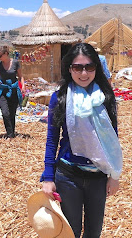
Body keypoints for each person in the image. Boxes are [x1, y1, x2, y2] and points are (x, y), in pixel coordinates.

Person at [40, 43, 123, 238]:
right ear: (70, 69)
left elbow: (112, 139)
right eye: (78, 67)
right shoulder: (60, 98)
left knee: (93, 233)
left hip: (98, 177)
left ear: (96, 68)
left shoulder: (105, 98)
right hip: (68, 176)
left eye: (89, 67)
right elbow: (52, 140)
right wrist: (48, 177)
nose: (84, 73)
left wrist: (114, 175)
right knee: (71, 232)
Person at [0, 45, 25, 138]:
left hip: (14, 90)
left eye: (0, 56)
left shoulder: (15, 63)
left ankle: (11, 134)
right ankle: (9, 133)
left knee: (12, 113)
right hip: (3, 90)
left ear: (6, 54)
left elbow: (21, 76)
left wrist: (23, 86)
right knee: (5, 113)